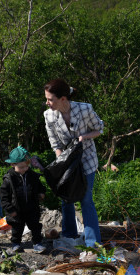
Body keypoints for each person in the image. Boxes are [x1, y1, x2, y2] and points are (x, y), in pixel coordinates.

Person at [41, 78, 104, 260]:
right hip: (66, 163)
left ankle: (93, 245)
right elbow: (54, 142)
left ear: (63, 99)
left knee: (86, 200)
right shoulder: (49, 115)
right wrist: (63, 161)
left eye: (50, 99)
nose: (47, 103)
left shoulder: (85, 109)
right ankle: (69, 235)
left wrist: (84, 136)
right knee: (66, 199)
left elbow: (99, 128)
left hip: (87, 161)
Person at [0, 146, 47, 254]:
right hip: (16, 209)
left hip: (32, 207)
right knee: (17, 228)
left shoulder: (33, 176)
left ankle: (37, 243)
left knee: (35, 226)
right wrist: (10, 209)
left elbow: (40, 187)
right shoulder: (9, 179)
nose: (24, 169)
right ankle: (16, 244)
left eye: (26, 166)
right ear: (13, 165)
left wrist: (42, 193)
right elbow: (3, 197)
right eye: (21, 167)